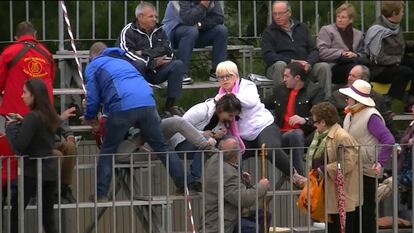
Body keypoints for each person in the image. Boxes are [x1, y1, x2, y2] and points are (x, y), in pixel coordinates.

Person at [82, 42, 188, 199]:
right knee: (162, 146)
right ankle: (184, 185)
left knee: (108, 151)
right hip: (148, 103)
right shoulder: (124, 61)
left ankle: (101, 194)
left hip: (123, 106)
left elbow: (93, 96)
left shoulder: (94, 65)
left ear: (92, 56)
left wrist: (90, 116)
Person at [214, 60, 304, 185]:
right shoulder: (219, 95)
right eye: (221, 77)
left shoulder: (247, 86)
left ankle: (294, 175)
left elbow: (250, 102)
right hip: (243, 136)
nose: (224, 80)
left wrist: (228, 97)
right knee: (230, 153)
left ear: (236, 76)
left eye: (228, 76)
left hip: (263, 127)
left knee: (268, 147)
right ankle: (242, 189)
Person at [0, 21, 55, 208]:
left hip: (14, 114)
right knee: (40, 153)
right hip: (42, 115)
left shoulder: (8, 53)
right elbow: (50, 80)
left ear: (16, 37)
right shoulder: (46, 53)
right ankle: (50, 192)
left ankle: (10, 192)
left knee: (12, 155)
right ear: (35, 34)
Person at [339, 79, 395, 233]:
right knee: (355, 210)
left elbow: (388, 140)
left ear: (356, 100)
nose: (347, 99)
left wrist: (379, 162)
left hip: (365, 169)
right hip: (354, 168)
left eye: (349, 97)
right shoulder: (351, 114)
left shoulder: (370, 116)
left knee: (366, 211)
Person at [6, 79, 60, 233]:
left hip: (32, 172)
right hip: (50, 171)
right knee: (48, 219)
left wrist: (11, 128)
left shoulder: (32, 117)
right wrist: (24, 123)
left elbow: (19, 146)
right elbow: (41, 135)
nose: (22, 96)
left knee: (15, 214)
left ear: (34, 96)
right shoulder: (49, 115)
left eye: (25, 92)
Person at [116, 2, 186, 115]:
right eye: (151, 16)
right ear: (140, 17)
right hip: (136, 73)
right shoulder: (128, 31)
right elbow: (126, 54)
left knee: (177, 64)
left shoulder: (159, 31)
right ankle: (139, 105)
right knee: (138, 63)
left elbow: (168, 51)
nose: (155, 19)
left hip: (156, 72)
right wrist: (152, 62)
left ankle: (170, 107)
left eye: (156, 16)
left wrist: (143, 52)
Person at [261, 1, 332, 98]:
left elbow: (314, 50)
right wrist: (292, 61)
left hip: (304, 67)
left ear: (289, 13)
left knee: (323, 67)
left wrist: (309, 63)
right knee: (279, 65)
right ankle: (283, 102)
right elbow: (268, 55)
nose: (277, 17)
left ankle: (325, 105)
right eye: (275, 14)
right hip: (283, 67)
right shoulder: (269, 32)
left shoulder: (302, 27)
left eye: (280, 13)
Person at [307, 102, 360, 233]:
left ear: (323, 122)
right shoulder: (322, 136)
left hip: (342, 194)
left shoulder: (342, 136)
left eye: (315, 122)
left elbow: (347, 162)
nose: (314, 125)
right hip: (331, 192)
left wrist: (326, 169)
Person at [265, 62, 324, 175]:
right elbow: (264, 103)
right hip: (282, 135)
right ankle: (299, 177)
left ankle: (298, 175)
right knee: (292, 135)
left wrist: (305, 120)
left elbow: (321, 117)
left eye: (286, 76)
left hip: (305, 136)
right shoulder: (280, 90)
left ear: (297, 78)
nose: (284, 79)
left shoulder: (315, 91)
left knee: (296, 134)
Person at [203, 136, 270, 233]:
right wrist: (262, 186)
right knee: (252, 228)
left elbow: (233, 189)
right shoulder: (226, 173)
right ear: (235, 157)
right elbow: (243, 199)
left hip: (231, 214)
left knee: (264, 215)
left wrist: (243, 179)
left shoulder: (215, 160)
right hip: (222, 223)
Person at [162, 0, 228, 81]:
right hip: (173, 33)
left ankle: (218, 72)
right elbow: (187, 20)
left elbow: (219, 18)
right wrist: (203, 5)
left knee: (221, 30)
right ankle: (181, 73)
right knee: (191, 31)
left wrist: (201, 24)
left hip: (195, 34)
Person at [364, 1, 414, 104]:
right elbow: (378, 57)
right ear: (394, 13)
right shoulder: (377, 30)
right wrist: (397, 60)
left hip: (394, 63)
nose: (403, 14)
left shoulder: (394, 26)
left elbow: (401, 46)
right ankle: (388, 102)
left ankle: (411, 99)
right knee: (405, 71)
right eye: (402, 12)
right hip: (379, 69)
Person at [329, 64, 397, 135]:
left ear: (363, 81)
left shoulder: (377, 99)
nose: (349, 78)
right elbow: (329, 117)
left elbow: (388, 124)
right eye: (349, 75)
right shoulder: (337, 95)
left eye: (353, 76)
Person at [317, 3, 368, 85]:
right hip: (334, 66)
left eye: (343, 17)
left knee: (363, 68)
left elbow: (363, 53)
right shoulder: (327, 30)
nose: (339, 20)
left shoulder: (358, 34)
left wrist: (355, 55)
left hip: (353, 63)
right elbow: (322, 52)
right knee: (356, 68)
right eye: (338, 17)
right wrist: (341, 53)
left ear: (351, 19)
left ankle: (364, 93)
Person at [53, 123, 77, 203]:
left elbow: (59, 121)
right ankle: (55, 191)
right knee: (57, 154)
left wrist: (69, 134)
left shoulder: (47, 111)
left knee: (70, 146)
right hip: (40, 144)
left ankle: (65, 187)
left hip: (53, 142)